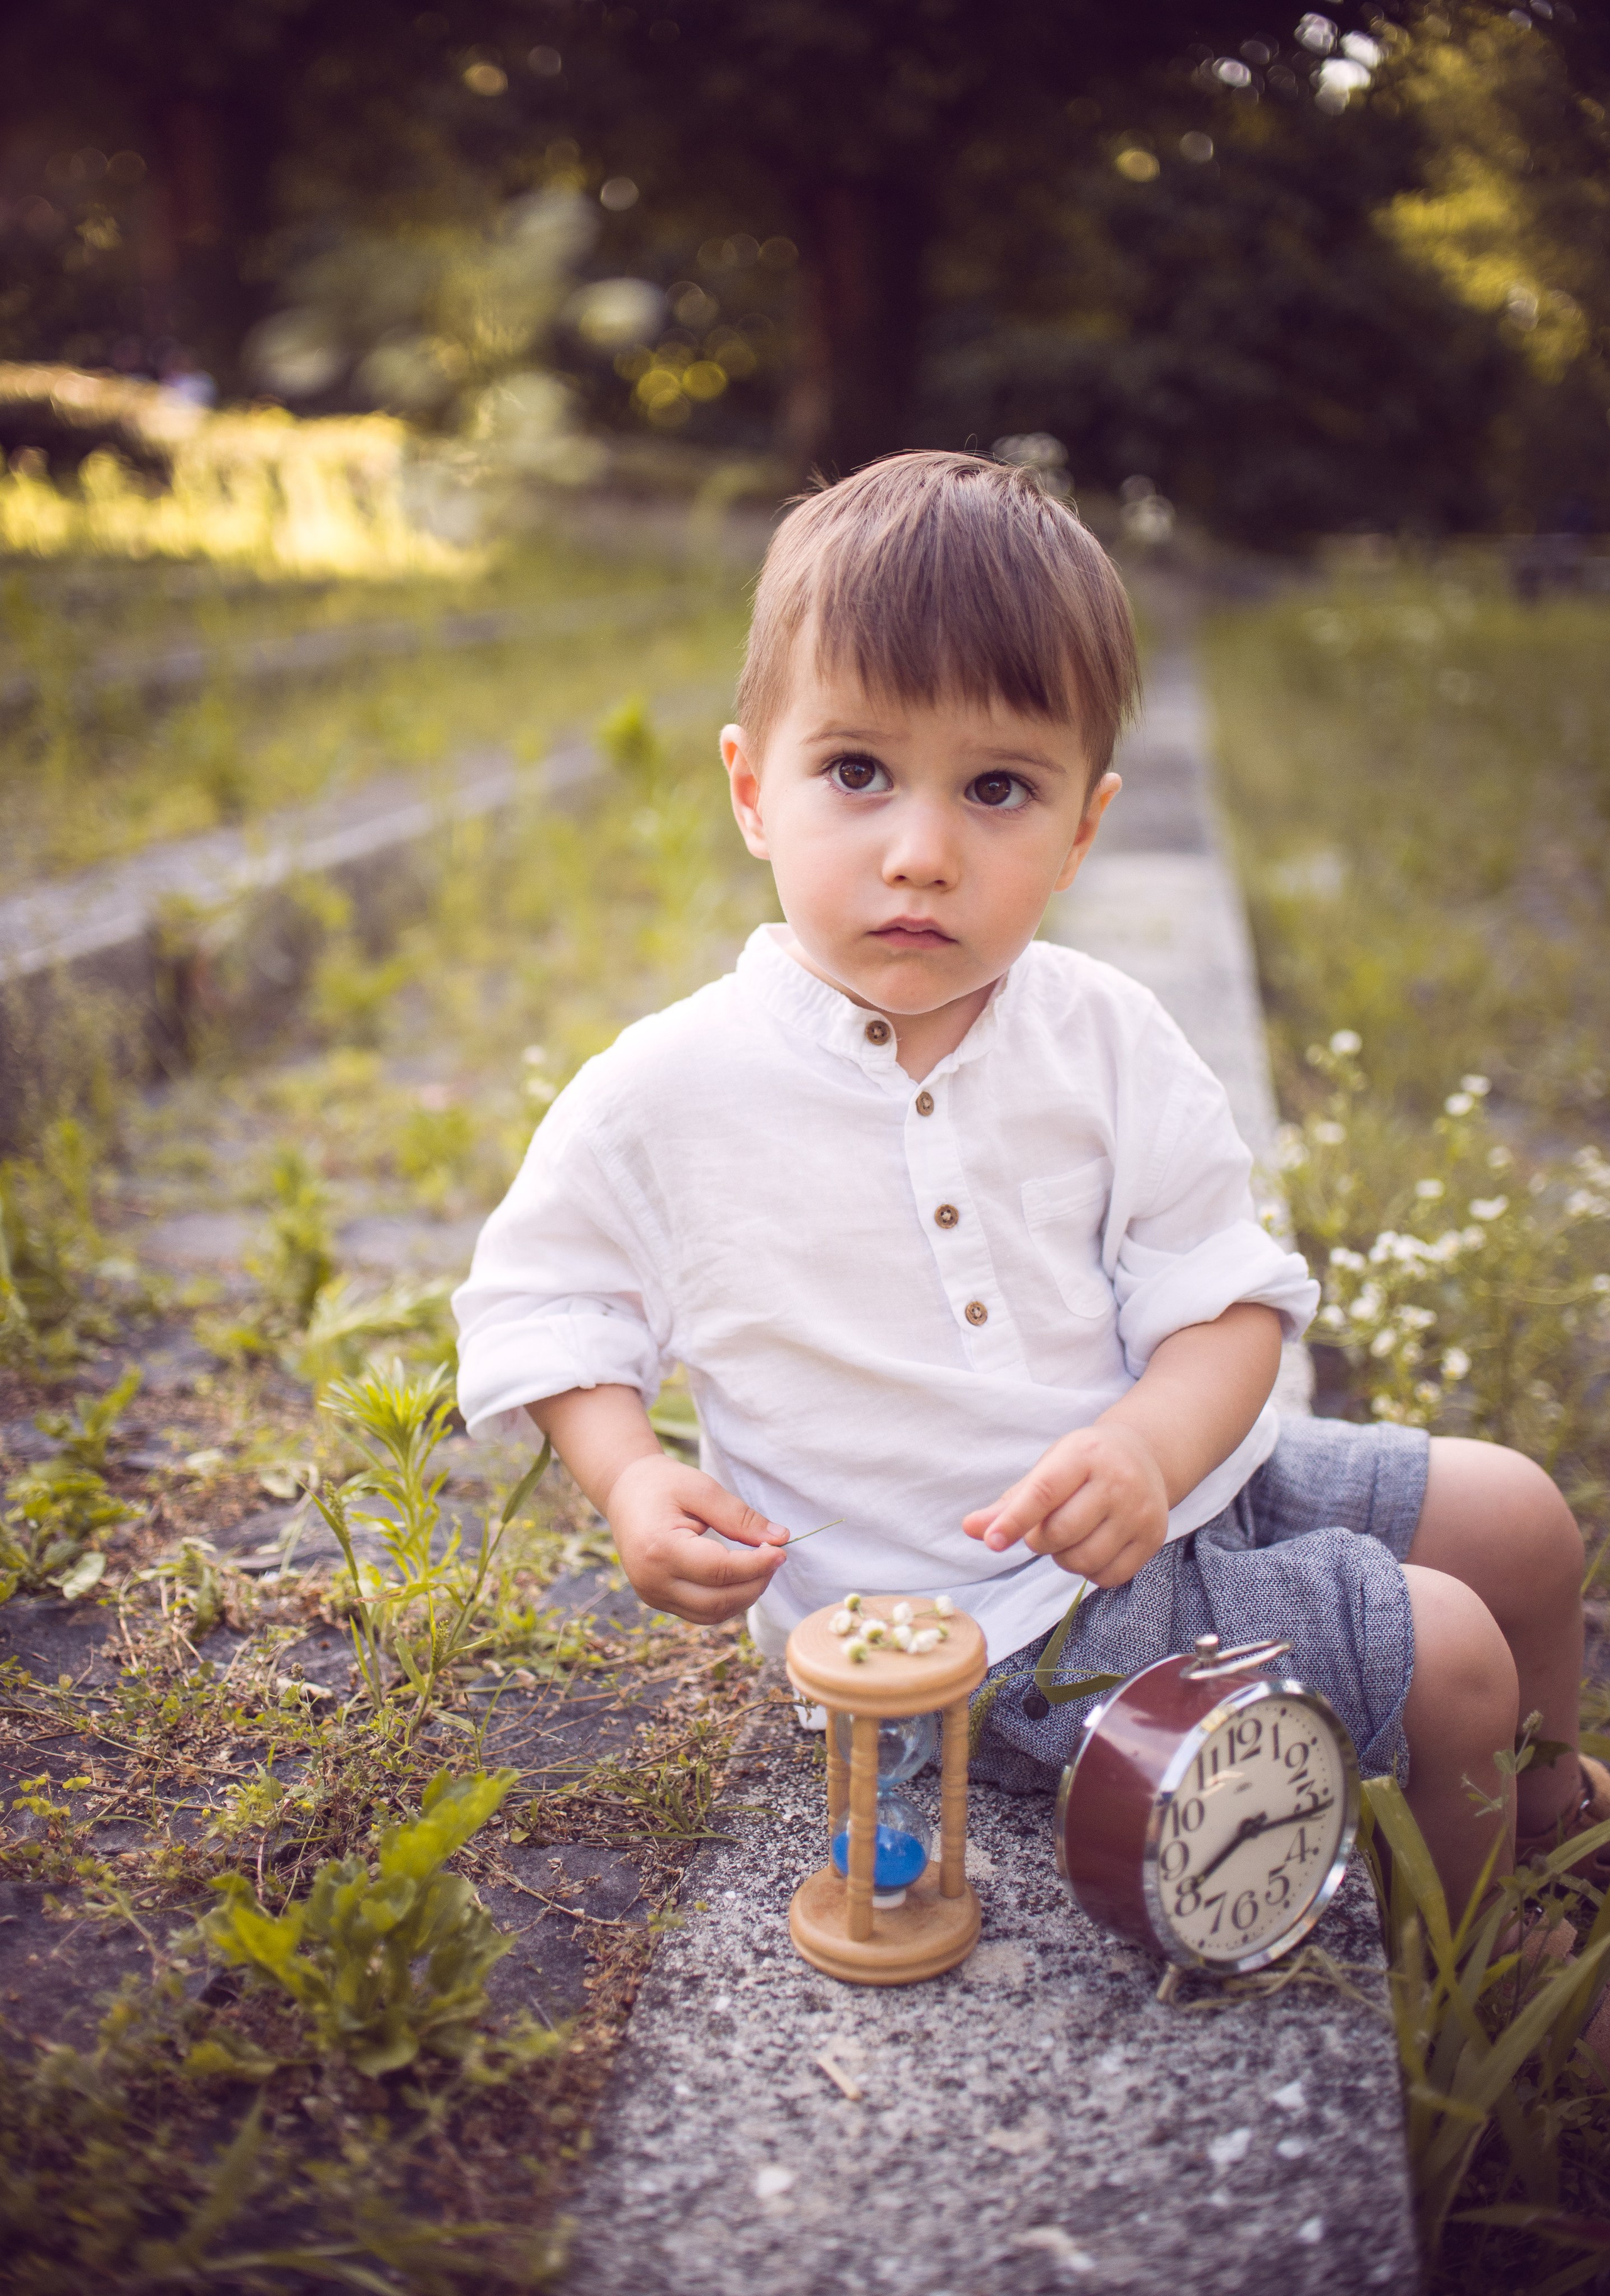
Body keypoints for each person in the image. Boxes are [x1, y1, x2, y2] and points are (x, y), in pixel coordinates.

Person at [453, 450, 1605, 1931]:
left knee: (1516, 1516)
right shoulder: (666, 1089)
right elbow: (549, 1302)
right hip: (980, 1623)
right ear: (753, 788)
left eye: (996, 787)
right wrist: (626, 1474)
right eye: (855, 771)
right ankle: (1473, 1946)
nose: (921, 852)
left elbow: (1226, 1307)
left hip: (1178, 1484)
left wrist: (1143, 1444)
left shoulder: (1104, 1037)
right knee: (1443, 1649)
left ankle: (1555, 1808)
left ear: (1080, 826)